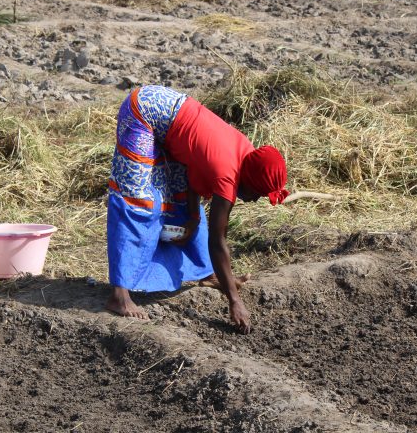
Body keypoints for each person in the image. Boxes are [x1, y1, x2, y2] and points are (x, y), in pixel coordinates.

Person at [105, 85, 289, 334]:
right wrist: (234, 300)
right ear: (249, 181)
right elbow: (218, 240)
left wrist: (191, 217)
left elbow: (193, 173)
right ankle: (119, 294)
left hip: (168, 121)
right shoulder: (226, 173)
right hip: (144, 110)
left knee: (177, 194)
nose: (256, 199)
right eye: (259, 193)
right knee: (138, 201)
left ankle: (209, 273)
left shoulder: (245, 155)